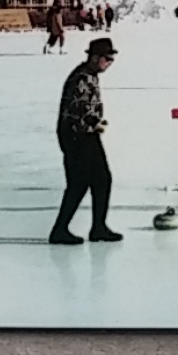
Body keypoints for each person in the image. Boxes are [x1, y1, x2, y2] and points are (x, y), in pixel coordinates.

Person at [49, 36, 122, 244]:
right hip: (77, 136)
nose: (109, 64)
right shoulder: (81, 78)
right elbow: (76, 113)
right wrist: (94, 125)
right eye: (107, 59)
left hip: (84, 134)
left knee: (99, 180)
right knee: (81, 183)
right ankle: (61, 229)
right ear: (95, 57)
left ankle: (97, 227)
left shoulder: (90, 75)